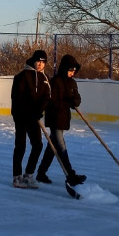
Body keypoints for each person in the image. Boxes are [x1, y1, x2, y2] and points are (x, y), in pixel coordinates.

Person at [36, 54, 86, 186]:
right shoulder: (55, 82)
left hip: (64, 118)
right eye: (70, 70)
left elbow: (77, 99)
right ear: (64, 69)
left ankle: (41, 173)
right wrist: (67, 102)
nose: (72, 73)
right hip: (55, 117)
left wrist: (74, 101)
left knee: (52, 147)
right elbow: (52, 102)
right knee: (61, 146)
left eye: (74, 71)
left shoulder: (72, 82)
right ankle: (70, 174)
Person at [11, 49, 51, 189]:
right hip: (21, 115)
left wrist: (39, 110)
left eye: (43, 62)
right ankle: (17, 176)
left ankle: (29, 174)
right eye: (38, 61)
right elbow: (18, 98)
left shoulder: (45, 78)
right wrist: (31, 111)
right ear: (33, 61)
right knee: (21, 146)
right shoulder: (22, 76)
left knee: (38, 145)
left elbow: (47, 96)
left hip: (34, 117)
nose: (40, 64)